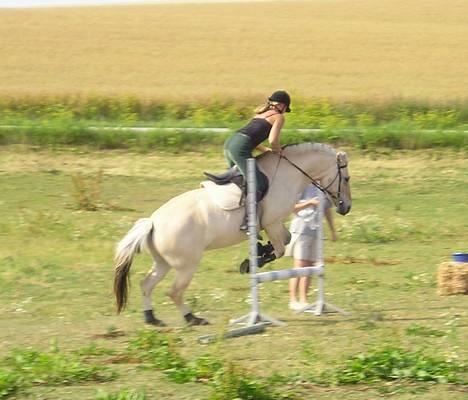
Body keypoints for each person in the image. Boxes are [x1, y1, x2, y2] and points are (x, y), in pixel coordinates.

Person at [223, 90, 291, 230]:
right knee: (259, 183)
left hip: (230, 144)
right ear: (282, 106)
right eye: (285, 109)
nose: (284, 112)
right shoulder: (278, 117)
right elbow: (273, 140)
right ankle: (248, 221)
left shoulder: (260, 115)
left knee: (239, 180)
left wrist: (265, 151)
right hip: (239, 149)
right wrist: (279, 151)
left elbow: (250, 137)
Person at [285, 184, 337, 311]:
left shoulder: (323, 187)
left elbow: (327, 209)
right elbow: (292, 208)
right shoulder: (302, 185)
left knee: (311, 266)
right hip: (301, 229)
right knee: (300, 265)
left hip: (316, 231)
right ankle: (293, 299)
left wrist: (332, 230)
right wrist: (310, 203)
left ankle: (304, 299)